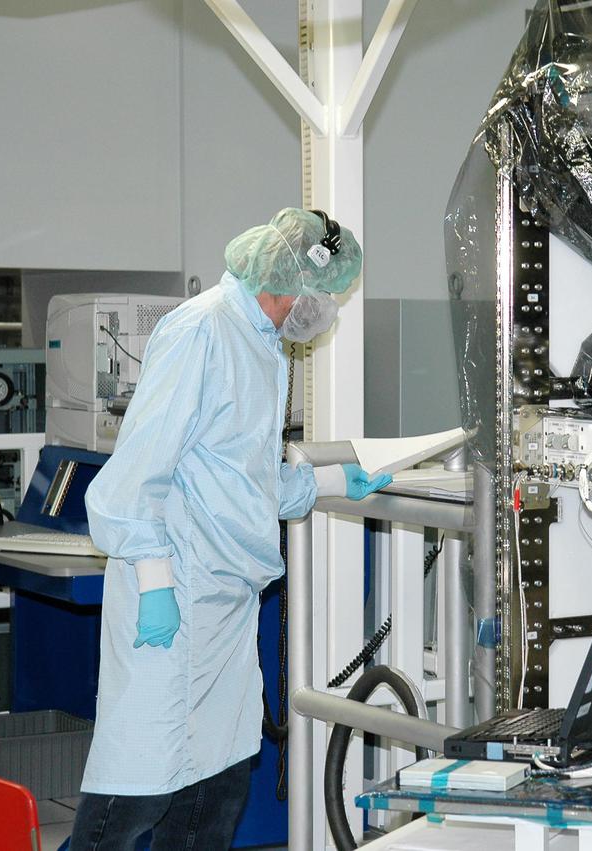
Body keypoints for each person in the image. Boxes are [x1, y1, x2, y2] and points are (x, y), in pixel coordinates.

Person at [69, 208, 390, 851]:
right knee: (138, 787)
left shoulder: (263, 344)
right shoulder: (202, 331)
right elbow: (136, 474)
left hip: (227, 601)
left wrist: (332, 482)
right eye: (325, 295)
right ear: (287, 280)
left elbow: (243, 473)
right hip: (176, 589)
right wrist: (155, 579)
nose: (326, 310)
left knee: (219, 784)